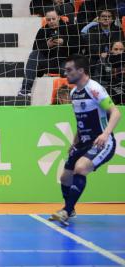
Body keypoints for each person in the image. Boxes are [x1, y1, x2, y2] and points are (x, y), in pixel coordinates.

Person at [49, 54, 121, 226]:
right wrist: (74, 142)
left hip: (101, 141)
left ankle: (66, 211)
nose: (66, 73)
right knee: (65, 178)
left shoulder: (94, 89)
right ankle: (70, 208)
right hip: (82, 141)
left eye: (69, 70)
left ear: (81, 71)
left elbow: (115, 112)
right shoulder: (74, 93)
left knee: (80, 168)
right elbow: (81, 121)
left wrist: (105, 134)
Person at [18, 9, 79, 96]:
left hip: (65, 62)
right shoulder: (42, 31)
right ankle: (25, 90)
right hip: (48, 62)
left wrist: (64, 42)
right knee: (34, 55)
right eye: (48, 20)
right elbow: (35, 48)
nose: (51, 22)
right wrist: (47, 45)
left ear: (58, 17)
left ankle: (75, 94)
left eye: (53, 19)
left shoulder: (70, 27)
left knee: (71, 65)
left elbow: (80, 45)